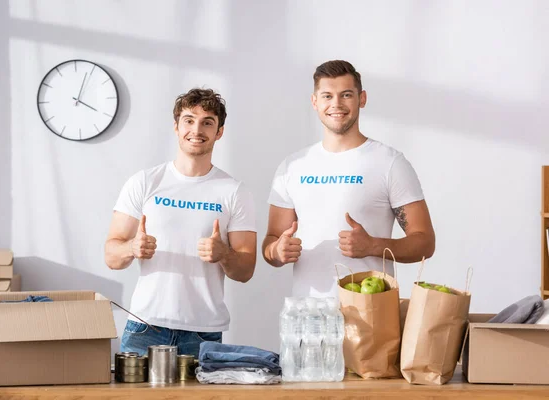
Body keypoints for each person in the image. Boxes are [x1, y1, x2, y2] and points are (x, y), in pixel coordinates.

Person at [262, 60, 435, 298]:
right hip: (308, 318)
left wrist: (373, 246)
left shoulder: (390, 163)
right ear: (315, 102)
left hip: (371, 316)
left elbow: (425, 242)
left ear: (361, 99)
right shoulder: (292, 166)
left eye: (346, 95)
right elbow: (271, 241)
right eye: (327, 96)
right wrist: (277, 251)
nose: (336, 104)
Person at [105, 88, 257, 358]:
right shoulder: (144, 182)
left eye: (207, 122)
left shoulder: (234, 191)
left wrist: (223, 253)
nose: (196, 129)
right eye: (188, 120)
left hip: (203, 333)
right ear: (176, 126)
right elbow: (111, 255)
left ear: (219, 132)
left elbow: (245, 271)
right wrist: (132, 247)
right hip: (144, 328)